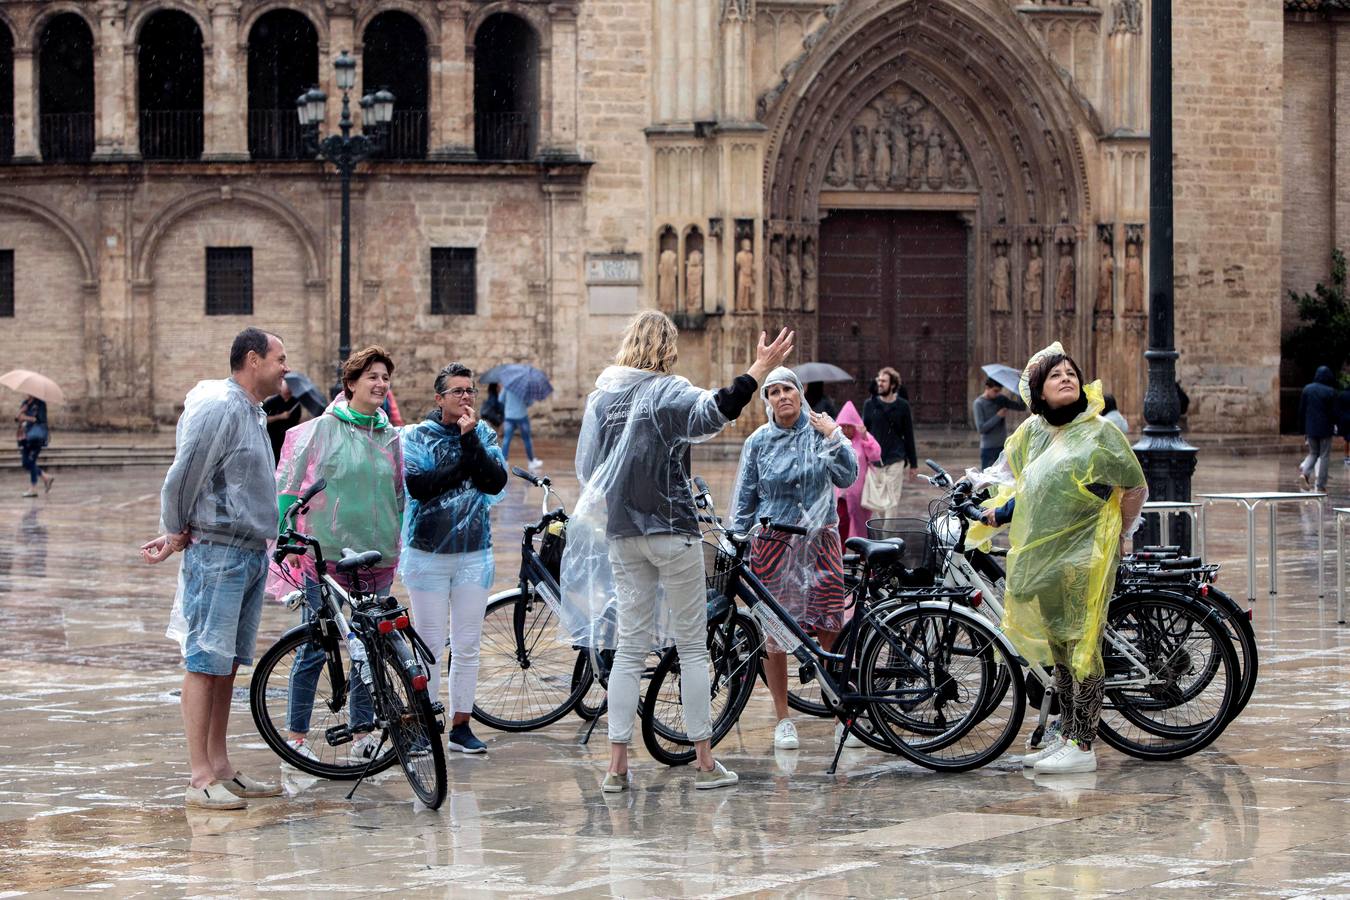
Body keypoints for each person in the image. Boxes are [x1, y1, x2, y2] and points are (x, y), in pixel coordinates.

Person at [560, 311, 794, 793]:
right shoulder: (668, 392)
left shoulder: (604, 398)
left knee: (628, 648)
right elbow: (715, 411)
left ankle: (616, 766)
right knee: (691, 646)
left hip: (625, 533)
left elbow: (589, 467)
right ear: (666, 347)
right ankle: (704, 761)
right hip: (674, 529)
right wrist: (758, 368)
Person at [980, 342, 1147, 775]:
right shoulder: (1033, 433)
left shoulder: (1100, 431)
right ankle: (1067, 734)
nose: (1067, 378)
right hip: (1045, 554)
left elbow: (1133, 486)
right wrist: (985, 496)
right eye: (1055, 375)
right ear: (1037, 389)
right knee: (1059, 646)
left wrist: (1121, 533)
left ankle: (1083, 744)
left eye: (1071, 372)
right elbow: (1014, 479)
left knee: (1083, 646)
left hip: (1087, 553)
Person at [140, 327, 289, 810]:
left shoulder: (253, 410)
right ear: (253, 360)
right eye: (279, 358)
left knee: (226, 663)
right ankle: (199, 776)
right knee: (204, 660)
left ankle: (221, 766)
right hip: (217, 551)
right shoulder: (222, 406)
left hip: (247, 550)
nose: (285, 367)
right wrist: (175, 531)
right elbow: (185, 474)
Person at [274, 346, 405, 764]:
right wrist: (287, 535)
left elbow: (398, 492)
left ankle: (363, 730)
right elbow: (290, 484)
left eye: (385, 377)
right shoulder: (323, 429)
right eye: (372, 377)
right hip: (327, 553)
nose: (380, 384)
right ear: (351, 384)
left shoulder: (389, 434)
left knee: (369, 644)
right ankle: (296, 733)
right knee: (317, 642)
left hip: (377, 554)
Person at [730, 367, 858, 751]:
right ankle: (783, 718)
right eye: (774, 391)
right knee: (775, 633)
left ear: (801, 394)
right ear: (766, 400)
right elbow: (746, 497)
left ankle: (838, 708)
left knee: (829, 623)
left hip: (821, 540)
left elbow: (848, 477)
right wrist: (737, 539)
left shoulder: (820, 432)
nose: (783, 396)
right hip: (774, 544)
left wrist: (834, 437)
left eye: (789, 389)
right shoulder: (758, 442)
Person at [401, 363, 508, 754]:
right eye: (458, 391)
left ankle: (462, 724)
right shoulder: (416, 436)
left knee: (467, 642)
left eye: (470, 391)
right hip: (427, 555)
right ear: (439, 399)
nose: (466, 397)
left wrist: (468, 443)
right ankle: (425, 722)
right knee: (429, 643)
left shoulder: (480, 434)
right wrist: (466, 461)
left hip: (473, 554)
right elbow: (421, 486)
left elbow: (494, 481)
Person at [862, 366, 918, 521]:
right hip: (875, 460)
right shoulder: (869, 405)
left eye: (884, 381)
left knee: (892, 500)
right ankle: (880, 536)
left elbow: (908, 434)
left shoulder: (902, 406)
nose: (880, 383)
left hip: (896, 458)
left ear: (893, 385)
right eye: (879, 380)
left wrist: (913, 464)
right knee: (877, 502)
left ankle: (888, 537)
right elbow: (863, 433)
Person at [834, 401, 881, 541]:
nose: (847, 429)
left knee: (862, 526)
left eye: (850, 426)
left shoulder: (863, 438)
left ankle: (862, 556)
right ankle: (840, 557)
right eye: (844, 426)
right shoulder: (835, 439)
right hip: (840, 494)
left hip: (861, 495)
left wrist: (866, 438)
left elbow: (876, 455)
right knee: (841, 525)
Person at [1298, 365, 1338, 492]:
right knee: (1324, 455)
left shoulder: (1307, 389)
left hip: (1310, 428)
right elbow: (1334, 412)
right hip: (1325, 429)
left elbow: (1302, 410)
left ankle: (1304, 474)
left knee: (1313, 453)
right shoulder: (1330, 392)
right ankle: (1321, 484)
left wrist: (1302, 427)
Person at [972, 378, 1026, 469]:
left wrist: (1019, 388)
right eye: (995, 391)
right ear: (987, 388)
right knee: (987, 480)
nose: (997, 394)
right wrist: (998, 416)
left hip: (1002, 447)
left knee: (1002, 479)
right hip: (988, 448)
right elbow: (981, 428)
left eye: (999, 391)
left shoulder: (1000, 399)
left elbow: (1021, 407)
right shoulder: (978, 403)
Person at [15, 394, 54, 497]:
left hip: (36, 437)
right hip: (24, 437)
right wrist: (20, 412)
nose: (26, 394)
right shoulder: (25, 404)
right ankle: (45, 477)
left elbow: (39, 420)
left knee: (31, 462)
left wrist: (25, 417)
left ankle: (33, 488)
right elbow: (17, 418)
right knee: (25, 462)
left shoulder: (40, 404)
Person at [501, 386, 543, 471]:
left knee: (506, 439)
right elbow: (529, 402)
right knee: (527, 439)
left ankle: (504, 461)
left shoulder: (507, 386)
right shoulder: (524, 387)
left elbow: (501, 399)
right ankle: (531, 462)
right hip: (521, 416)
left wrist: (509, 404)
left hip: (509, 416)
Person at [263, 381, 303, 463]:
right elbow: (263, 419)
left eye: (290, 388)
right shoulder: (271, 402)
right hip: (274, 438)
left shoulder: (295, 402)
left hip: (290, 438)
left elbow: (297, 420)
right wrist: (280, 416)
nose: (288, 390)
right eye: (286, 388)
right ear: (280, 388)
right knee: (275, 461)